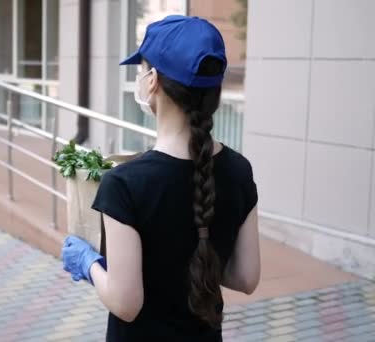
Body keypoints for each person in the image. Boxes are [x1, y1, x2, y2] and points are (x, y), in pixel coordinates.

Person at [61, 15, 260, 341]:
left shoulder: (125, 184)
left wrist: (88, 264)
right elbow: (245, 277)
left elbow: (126, 304)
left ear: (152, 81)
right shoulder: (239, 169)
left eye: (141, 70)